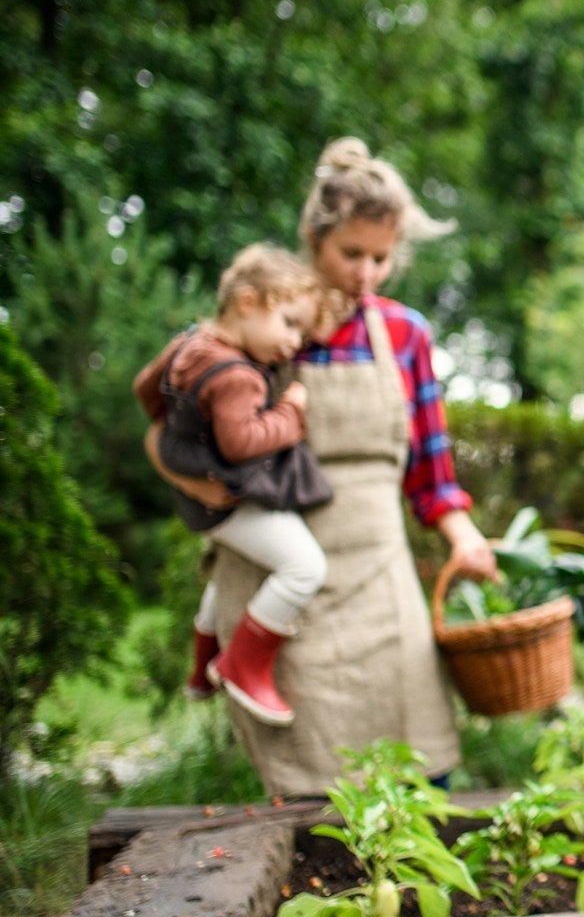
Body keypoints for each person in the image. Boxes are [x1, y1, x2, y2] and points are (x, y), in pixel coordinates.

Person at [146, 137, 499, 795]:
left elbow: (430, 463)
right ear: (313, 239)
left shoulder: (404, 334)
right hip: (282, 580)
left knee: (424, 759)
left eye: (381, 257)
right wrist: (191, 481)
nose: (366, 271)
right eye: (351, 253)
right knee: (306, 777)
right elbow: (178, 430)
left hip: (379, 572)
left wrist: (463, 536)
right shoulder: (268, 328)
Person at [134, 245, 334, 726]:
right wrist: (292, 412)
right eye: (289, 323)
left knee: (228, 575)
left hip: (198, 500)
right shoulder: (238, 375)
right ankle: (242, 664)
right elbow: (244, 443)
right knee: (305, 567)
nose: (294, 343)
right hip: (232, 500)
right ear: (247, 302)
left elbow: (145, 388)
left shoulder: (188, 344)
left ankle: (202, 667)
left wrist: (180, 437)